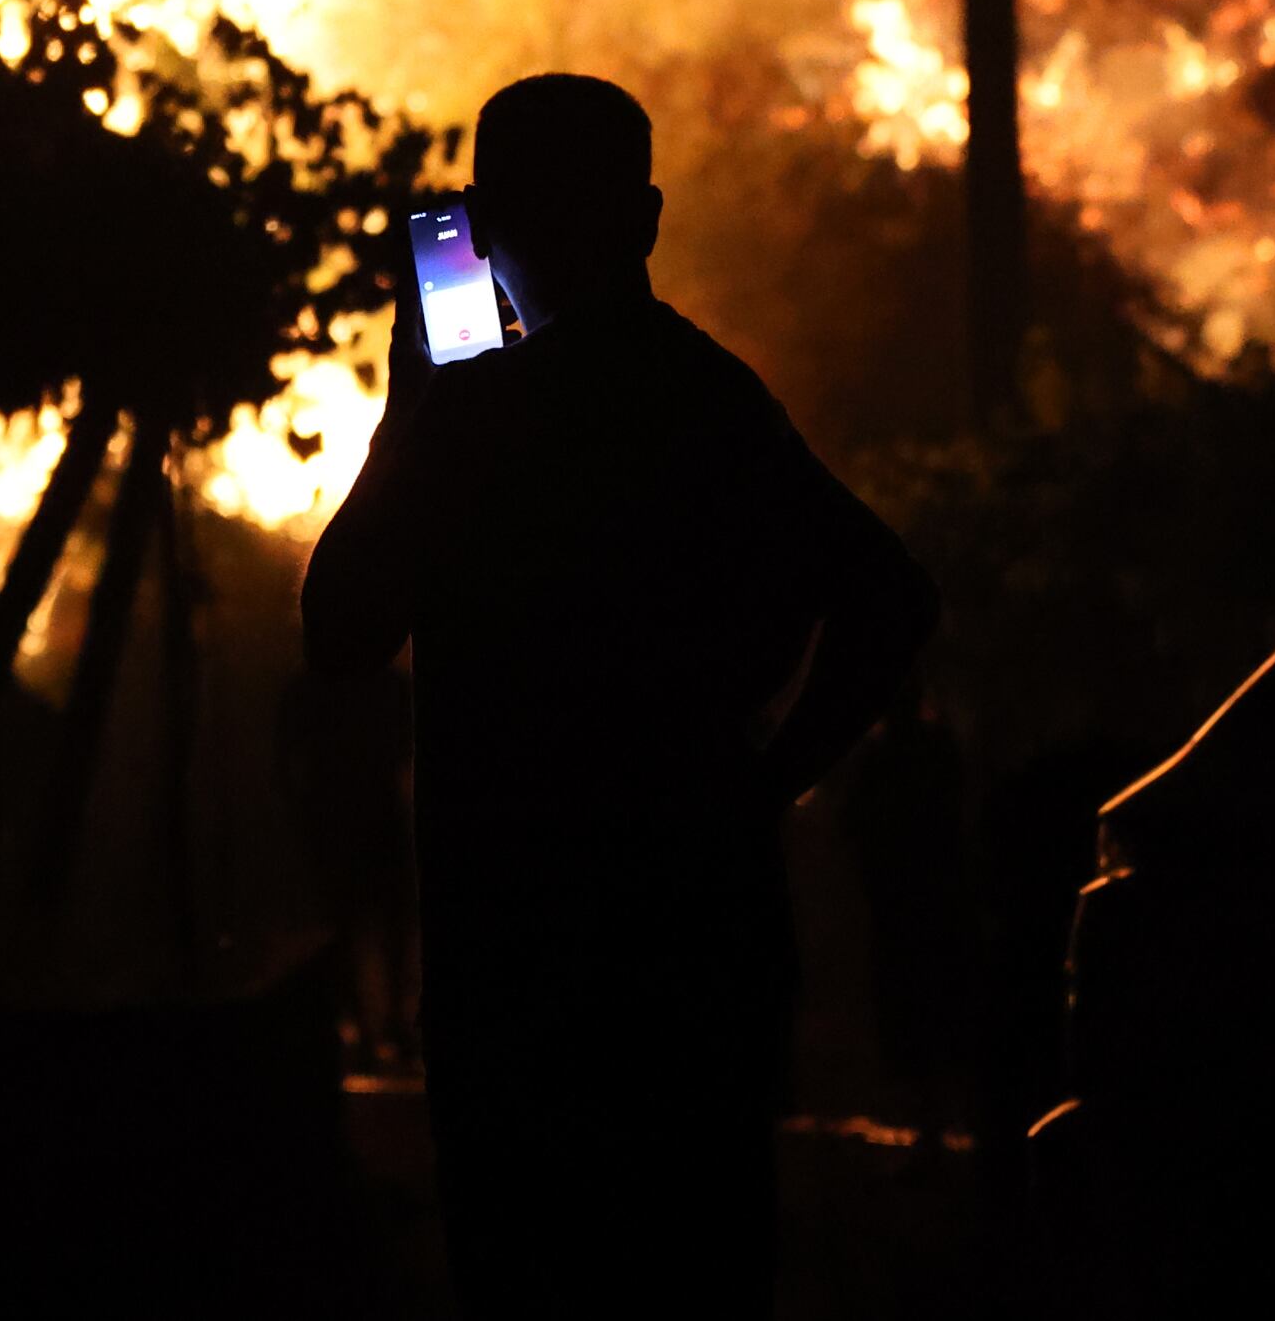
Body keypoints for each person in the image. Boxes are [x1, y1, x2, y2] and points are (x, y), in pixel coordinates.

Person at [305, 73, 939, 1314]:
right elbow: (891, 598)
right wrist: (761, 788)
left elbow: (338, 633)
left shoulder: (475, 421)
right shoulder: (710, 399)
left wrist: (404, 415)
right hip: (697, 943)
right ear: (643, 220)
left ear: (479, 231)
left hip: (515, 960)